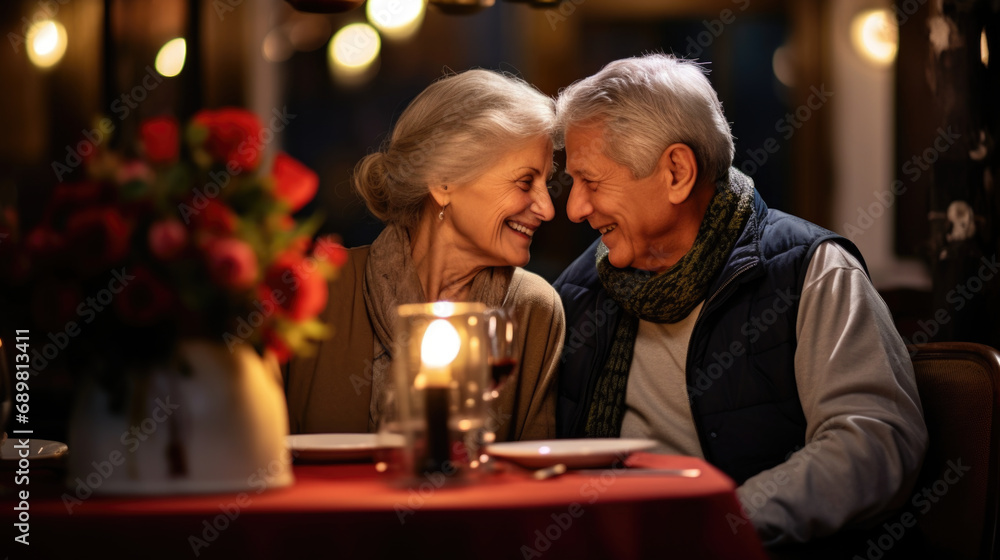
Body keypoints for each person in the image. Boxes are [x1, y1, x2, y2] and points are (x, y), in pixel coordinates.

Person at [552, 54, 928, 547]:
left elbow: (875, 443)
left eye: (591, 182)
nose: (574, 208)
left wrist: (721, 527)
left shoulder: (810, 270)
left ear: (676, 173)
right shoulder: (581, 286)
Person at [283, 69, 565, 443]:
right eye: (526, 181)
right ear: (444, 181)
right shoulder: (319, 290)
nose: (547, 209)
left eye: (547, 182)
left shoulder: (534, 309)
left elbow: (536, 487)